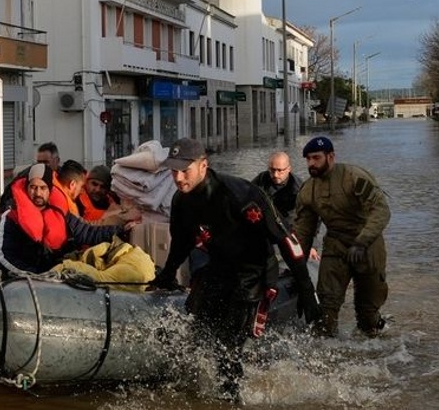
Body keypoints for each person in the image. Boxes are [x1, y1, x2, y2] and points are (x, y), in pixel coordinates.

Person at [152, 138, 321, 401]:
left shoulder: (239, 194)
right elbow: (181, 244)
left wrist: (307, 291)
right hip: (219, 266)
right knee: (196, 327)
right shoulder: (181, 201)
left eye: (185, 170)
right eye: (173, 170)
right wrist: (165, 275)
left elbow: (286, 240)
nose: (178, 177)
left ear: (203, 166)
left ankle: (231, 400)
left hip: (253, 272)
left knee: (227, 344)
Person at [293, 136, 390, 338]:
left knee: (367, 315)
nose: (311, 163)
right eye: (308, 159)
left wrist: (361, 242)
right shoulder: (308, 190)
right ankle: (328, 357)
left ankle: (375, 343)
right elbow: (303, 231)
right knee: (325, 311)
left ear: (331, 156)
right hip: (335, 246)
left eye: (316, 158)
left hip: (367, 244)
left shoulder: (353, 177)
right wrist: (296, 264)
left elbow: (381, 211)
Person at [0, 162, 132, 279]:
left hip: (52, 278)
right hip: (21, 280)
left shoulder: (60, 213)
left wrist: (121, 230)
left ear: (50, 190)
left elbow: (87, 232)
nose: (38, 193)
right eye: (33, 187)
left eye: (43, 188)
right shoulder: (10, 217)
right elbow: (3, 256)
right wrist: (34, 276)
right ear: (26, 188)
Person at [251, 151, 302, 227]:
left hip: (287, 225)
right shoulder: (262, 178)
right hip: (263, 220)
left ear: (289, 169)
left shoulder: (297, 188)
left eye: (280, 170)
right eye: (272, 170)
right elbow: (247, 194)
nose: (275, 175)